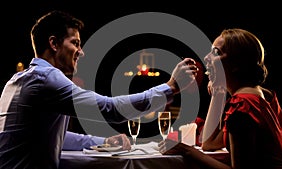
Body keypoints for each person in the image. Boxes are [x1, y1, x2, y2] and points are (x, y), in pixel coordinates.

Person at [0, 10, 198, 169]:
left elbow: (56, 137)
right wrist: (170, 87)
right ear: (53, 43)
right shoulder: (47, 79)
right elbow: (110, 109)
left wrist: (103, 140)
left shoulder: (18, 80)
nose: (81, 51)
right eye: (75, 43)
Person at [159, 28, 282, 169]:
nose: (207, 57)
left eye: (216, 52)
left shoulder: (242, 105)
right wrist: (219, 90)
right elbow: (210, 143)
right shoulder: (262, 96)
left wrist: (187, 151)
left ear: (237, 64)